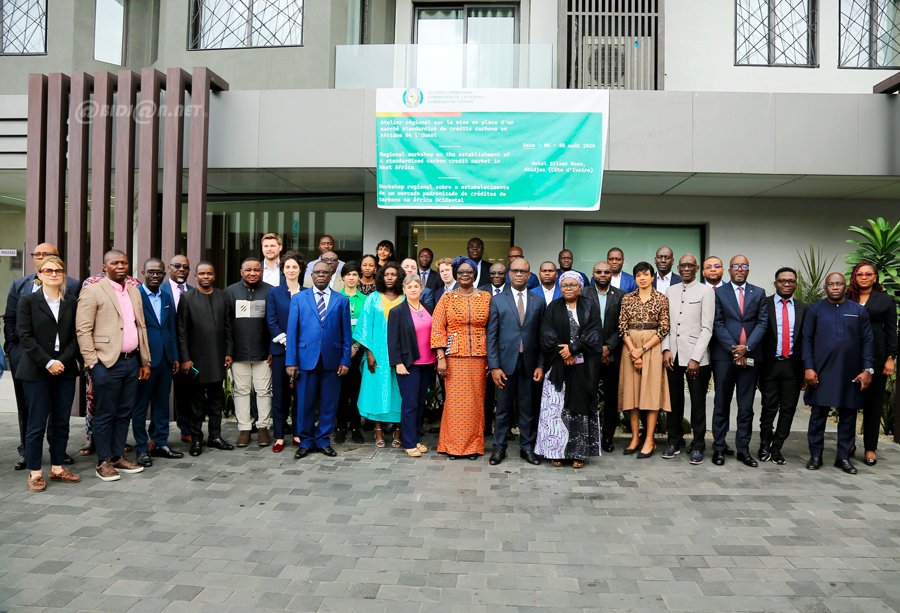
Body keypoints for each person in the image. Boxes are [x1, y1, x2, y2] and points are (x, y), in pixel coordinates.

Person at [75, 249, 151, 482]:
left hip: (131, 362)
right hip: (106, 363)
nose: (121, 266)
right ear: (104, 266)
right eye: (115, 263)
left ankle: (118, 456)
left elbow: (141, 327)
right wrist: (92, 363)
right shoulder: (93, 290)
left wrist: (144, 360)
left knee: (124, 412)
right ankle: (103, 461)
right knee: (106, 413)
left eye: (124, 262)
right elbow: (83, 329)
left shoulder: (133, 290)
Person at [5, 242, 80, 471]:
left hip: (64, 367)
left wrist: (62, 361)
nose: (54, 274)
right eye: (48, 270)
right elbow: (22, 334)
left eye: (58, 270)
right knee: (35, 422)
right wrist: (46, 361)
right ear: (39, 274)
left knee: (60, 422)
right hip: (36, 366)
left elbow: (76, 336)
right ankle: (35, 471)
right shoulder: (27, 300)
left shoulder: (71, 301)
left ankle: (57, 466)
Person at [803, 272, 874, 475]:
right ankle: (815, 455)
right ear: (825, 287)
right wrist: (808, 367)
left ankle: (843, 457)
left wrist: (867, 370)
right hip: (822, 370)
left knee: (848, 415)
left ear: (845, 287)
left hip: (850, 371)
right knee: (818, 415)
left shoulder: (858, 311)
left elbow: (868, 341)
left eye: (839, 284)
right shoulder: (815, 310)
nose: (835, 287)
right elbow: (806, 340)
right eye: (831, 284)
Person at [535, 271, 602, 468]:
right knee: (555, 410)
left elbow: (595, 333)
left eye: (573, 285)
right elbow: (546, 334)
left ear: (580, 287)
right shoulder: (553, 307)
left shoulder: (589, 306)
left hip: (583, 368)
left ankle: (578, 453)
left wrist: (573, 349)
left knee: (579, 410)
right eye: (565, 285)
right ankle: (554, 451)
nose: (568, 288)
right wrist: (564, 353)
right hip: (557, 366)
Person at [286, 261, 352, 459]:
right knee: (305, 403)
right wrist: (291, 362)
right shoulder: (299, 299)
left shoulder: (341, 300)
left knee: (328, 403)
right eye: (317, 272)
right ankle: (305, 441)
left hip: (332, 360)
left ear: (331, 275)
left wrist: (345, 360)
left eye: (325, 272)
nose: (321, 275)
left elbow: (346, 334)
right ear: (311, 276)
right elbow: (292, 332)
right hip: (305, 359)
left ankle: (323, 440)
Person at [431, 257, 492, 459]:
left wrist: (493, 359)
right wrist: (440, 357)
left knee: (476, 402)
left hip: (479, 357)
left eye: (469, 272)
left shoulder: (485, 297)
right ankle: (453, 446)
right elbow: (438, 328)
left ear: (475, 275)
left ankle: (474, 446)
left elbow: (493, 329)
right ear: (456, 275)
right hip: (454, 356)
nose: (465, 275)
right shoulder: (447, 298)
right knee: (455, 403)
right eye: (461, 272)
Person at [486, 257, 545, 465]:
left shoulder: (538, 301)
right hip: (504, 364)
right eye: (515, 271)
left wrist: (540, 364)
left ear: (529, 276)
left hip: (529, 364)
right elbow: (491, 335)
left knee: (527, 409)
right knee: (502, 410)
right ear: (509, 274)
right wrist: (494, 366)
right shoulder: (497, 299)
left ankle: (527, 448)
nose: (519, 274)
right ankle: (499, 448)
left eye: (523, 271)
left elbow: (541, 336)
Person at [710, 255, 768, 467]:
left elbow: (762, 323)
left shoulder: (759, 293)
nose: (740, 269)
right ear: (729, 270)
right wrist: (735, 350)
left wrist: (747, 348)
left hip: (751, 356)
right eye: (736, 266)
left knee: (746, 406)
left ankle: (743, 450)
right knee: (721, 404)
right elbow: (717, 323)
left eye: (744, 266)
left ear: (748, 270)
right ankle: (718, 448)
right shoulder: (719, 293)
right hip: (725, 357)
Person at [177, 262, 235, 457]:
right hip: (196, 360)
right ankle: (196, 439)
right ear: (196, 277)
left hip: (218, 357)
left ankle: (215, 436)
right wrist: (185, 358)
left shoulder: (222, 296)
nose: (206, 277)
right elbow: (182, 331)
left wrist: (229, 352)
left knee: (216, 401)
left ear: (214, 275)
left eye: (210, 273)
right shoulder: (187, 298)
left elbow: (228, 326)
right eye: (202, 274)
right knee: (196, 404)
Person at [661, 254, 714, 464]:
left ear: (697, 268)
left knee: (698, 402)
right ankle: (674, 441)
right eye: (682, 265)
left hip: (696, 358)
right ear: (678, 267)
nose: (686, 269)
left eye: (690, 265)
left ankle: (698, 445)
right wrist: (666, 350)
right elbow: (666, 325)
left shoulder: (706, 291)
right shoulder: (670, 290)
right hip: (673, 355)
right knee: (673, 401)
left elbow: (707, 328)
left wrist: (696, 358)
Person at [132, 258, 183, 467]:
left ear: (164, 274)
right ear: (143, 273)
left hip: (165, 360)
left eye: (159, 272)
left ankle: (161, 442)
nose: (155, 276)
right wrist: (138, 360)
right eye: (151, 272)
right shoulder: (135, 296)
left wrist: (176, 356)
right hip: (145, 360)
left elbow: (171, 328)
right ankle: (142, 448)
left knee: (162, 404)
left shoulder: (167, 296)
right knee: (140, 406)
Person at [846, 261, 897, 466]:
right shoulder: (846, 297)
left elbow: (892, 331)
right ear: (854, 277)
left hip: (876, 357)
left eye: (869, 274)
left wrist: (890, 357)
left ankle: (870, 448)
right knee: (848, 403)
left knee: (873, 405)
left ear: (875, 277)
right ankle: (848, 443)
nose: (864, 277)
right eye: (860, 274)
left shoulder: (886, 300)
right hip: (849, 357)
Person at [618, 262, 671, 459]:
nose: (642, 278)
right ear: (634, 278)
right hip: (630, 346)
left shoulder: (661, 298)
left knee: (650, 394)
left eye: (646, 274)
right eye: (638, 275)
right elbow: (622, 326)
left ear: (652, 277)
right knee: (632, 396)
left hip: (652, 347)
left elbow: (664, 328)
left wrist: (643, 349)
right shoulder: (627, 299)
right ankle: (634, 438)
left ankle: (649, 439)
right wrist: (633, 350)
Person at [757, 267, 807, 465]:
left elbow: (807, 340)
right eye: (782, 280)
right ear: (775, 283)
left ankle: (777, 448)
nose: (787, 284)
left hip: (793, 368)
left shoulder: (804, 308)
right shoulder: (764, 304)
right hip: (770, 366)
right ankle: (763, 445)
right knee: (768, 408)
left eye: (791, 281)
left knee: (788, 409)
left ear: (795, 284)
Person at [354, 262, 405, 448]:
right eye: (387, 274)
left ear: (399, 277)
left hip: (400, 354)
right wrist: (369, 353)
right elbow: (365, 327)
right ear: (381, 277)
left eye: (394, 274)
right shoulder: (373, 298)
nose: (390, 277)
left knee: (399, 392)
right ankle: (377, 430)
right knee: (375, 390)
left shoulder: (405, 298)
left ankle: (399, 430)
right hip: (376, 353)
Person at [225, 257, 273, 447]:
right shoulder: (230, 292)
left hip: (263, 354)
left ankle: (263, 428)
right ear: (241, 271)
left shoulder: (270, 291)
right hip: (238, 353)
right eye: (248, 270)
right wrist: (228, 351)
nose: (253, 273)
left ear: (261, 271)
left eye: (257, 270)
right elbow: (226, 325)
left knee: (264, 391)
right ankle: (244, 429)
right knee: (241, 391)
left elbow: (273, 323)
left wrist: (272, 349)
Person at [388, 275, 436, 457]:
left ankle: (415, 438)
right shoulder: (397, 311)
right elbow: (392, 341)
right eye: (410, 287)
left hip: (427, 363)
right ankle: (408, 443)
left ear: (421, 289)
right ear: (404, 289)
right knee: (409, 405)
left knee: (420, 403)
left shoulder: (427, 308)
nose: (414, 289)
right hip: (409, 364)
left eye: (417, 286)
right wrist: (398, 363)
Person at [266, 251, 306, 452]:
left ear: (300, 270)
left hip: (303, 351)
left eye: (294, 267)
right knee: (280, 394)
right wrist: (286, 341)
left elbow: (310, 323)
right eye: (287, 267)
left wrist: (297, 344)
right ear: (282, 270)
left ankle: (298, 433)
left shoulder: (307, 292)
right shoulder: (274, 293)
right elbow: (271, 320)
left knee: (300, 394)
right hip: (281, 350)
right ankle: (280, 436)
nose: (291, 270)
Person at [583, 260, 624, 453]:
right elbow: (581, 325)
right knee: (587, 395)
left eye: (606, 272)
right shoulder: (583, 294)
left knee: (611, 398)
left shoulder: (621, 296)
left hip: (613, 355)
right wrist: (597, 348)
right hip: (589, 355)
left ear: (611, 275)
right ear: (593, 273)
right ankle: (589, 434)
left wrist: (609, 347)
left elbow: (622, 327)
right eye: (598, 272)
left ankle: (607, 437)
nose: (602, 275)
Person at [161, 254, 194, 443]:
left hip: (186, 353)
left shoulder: (193, 291)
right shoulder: (159, 289)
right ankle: (158, 435)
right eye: (177, 266)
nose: (182, 269)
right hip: (164, 353)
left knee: (185, 394)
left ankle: (186, 428)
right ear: (169, 269)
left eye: (186, 267)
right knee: (160, 396)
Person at [335, 261, 366, 444]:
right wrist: (346, 347)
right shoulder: (336, 298)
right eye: (348, 275)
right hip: (340, 353)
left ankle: (356, 427)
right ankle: (340, 427)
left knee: (356, 391)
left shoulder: (366, 300)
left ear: (359, 277)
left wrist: (355, 346)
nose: (352, 278)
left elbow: (366, 326)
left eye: (355, 274)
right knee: (341, 391)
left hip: (359, 352)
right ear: (343, 277)